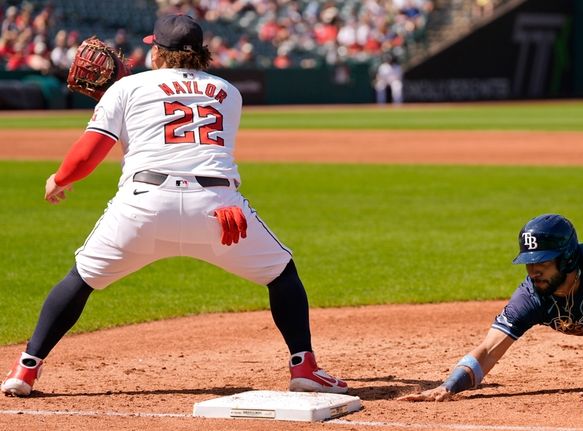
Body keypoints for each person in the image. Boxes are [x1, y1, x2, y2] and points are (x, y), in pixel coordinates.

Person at [1, 14, 347, 397]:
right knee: (282, 274)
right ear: (201, 52)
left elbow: (85, 158)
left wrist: (58, 179)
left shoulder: (128, 88)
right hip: (218, 213)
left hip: (142, 209)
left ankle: (25, 370)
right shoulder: (229, 92)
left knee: (80, 279)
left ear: (157, 51)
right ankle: (304, 367)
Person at [398, 208, 583, 407]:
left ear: (567, 259)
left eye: (542, 261)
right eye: (529, 263)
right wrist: (449, 386)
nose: (533, 271)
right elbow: (489, 349)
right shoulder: (532, 294)